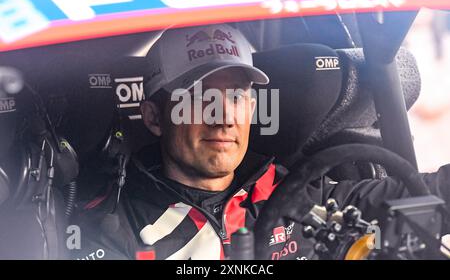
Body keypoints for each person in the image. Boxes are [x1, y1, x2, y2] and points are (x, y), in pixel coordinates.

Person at [74, 23, 450, 260]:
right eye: (200, 99)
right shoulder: (112, 222)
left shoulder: (296, 192)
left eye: (236, 97)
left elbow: (425, 195)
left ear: (252, 108)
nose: (223, 117)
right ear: (155, 117)